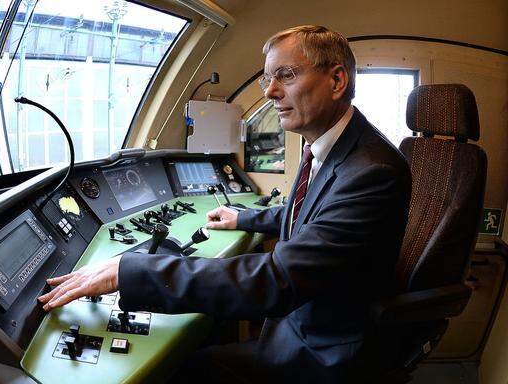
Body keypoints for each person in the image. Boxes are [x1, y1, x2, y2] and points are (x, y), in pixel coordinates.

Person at [38, 25, 411, 383]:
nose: (269, 93)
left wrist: (132, 272)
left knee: (184, 370)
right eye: (268, 79)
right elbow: (311, 215)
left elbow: (277, 279)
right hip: (304, 320)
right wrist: (244, 218)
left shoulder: (372, 170)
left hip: (322, 351)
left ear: (336, 81)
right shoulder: (331, 144)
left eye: (286, 75)